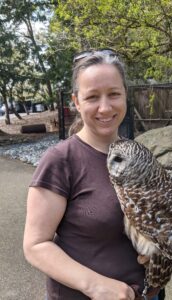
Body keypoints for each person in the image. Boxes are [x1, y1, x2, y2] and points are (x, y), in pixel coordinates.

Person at [23, 49, 164, 300]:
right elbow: (35, 245)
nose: (105, 107)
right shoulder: (60, 161)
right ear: (76, 102)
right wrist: (95, 285)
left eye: (113, 94)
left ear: (125, 96)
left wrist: (159, 249)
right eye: (92, 97)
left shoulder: (140, 156)